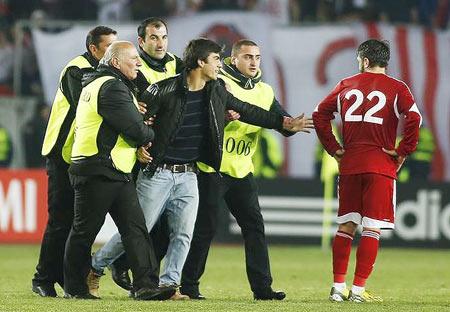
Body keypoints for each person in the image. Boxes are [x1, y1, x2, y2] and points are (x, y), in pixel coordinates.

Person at [92, 38, 311, 298]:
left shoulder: (217, 90)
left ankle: (169, 286)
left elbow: (249, 111)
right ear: (200, 62)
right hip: (163, 172)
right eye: (217, 60)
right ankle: (95, 266)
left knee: (183, 234)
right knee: (141, 230)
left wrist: (283, 123)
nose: (221, 64)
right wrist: (139, 145)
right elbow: (134, 121)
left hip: (190, 173)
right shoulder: (165, 89)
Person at [180, 39, 313, 300]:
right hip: (212, 168)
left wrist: (292, 125)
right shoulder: (219, 84)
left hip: (242, 170)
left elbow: (282, 123)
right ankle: (189, 286)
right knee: (205, 228)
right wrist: (224, 119)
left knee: (254, 228)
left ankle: (262, 289)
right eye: (248, 57)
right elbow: (201, 123)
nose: (254, 62)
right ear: (233, 60)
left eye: (257, 57)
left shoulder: (264, 91)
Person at [63, 41, 175, 301]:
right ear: (115, 63)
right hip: (98, 168)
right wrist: (148, 129)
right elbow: (137, 131)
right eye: (133, 58)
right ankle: (75, 288)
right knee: (85, 231)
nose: (138, 62)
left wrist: (138, 120)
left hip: (112, 169)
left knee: (135, 228)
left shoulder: (103, 83)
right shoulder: (112, 87)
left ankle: (146, 286)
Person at [313, 39, 422, 303]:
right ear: (385, 61)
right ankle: (358, 291)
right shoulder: (398, 88)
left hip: (350, 164)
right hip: (380, 166)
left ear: (363, 61)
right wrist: (402, 150)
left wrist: (335, 149)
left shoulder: (346, 85)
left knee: (346, 226)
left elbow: (319, 114)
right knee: (371, 229)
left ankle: (338, 288)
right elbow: (414, 118)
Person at [89, 16, 182, 296]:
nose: (160, 43)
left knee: (160, 228)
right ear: (141, 42)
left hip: (170, 153)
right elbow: (137, 113)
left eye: (163, 37)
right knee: (140, 225)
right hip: (141, 154)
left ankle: (143, 277)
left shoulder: (177, 64)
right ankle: (102, 268)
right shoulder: (133, 70)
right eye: (153, 37)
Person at [31, 26, 117, 297]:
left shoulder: (107, 73)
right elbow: (88, 103)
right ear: (94, 49)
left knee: (82, 223)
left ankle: (69, 278)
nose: (113, 53)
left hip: (85, 156)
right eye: (108, 47)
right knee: (61, 219)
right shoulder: (76, 70)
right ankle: (43, 278)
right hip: (63, 155)